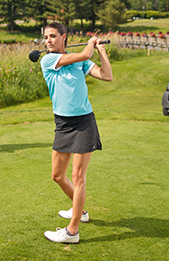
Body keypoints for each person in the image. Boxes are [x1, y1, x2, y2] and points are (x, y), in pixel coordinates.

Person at [39, 23, 113, 244]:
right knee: (57, 176)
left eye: (52, 36)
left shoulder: (80, 61)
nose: (48, 40)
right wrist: (90, 45)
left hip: (83, 122)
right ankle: (79, 211)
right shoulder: (48, 60)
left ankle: (72, 232)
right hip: (62, 123)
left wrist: (101, 50)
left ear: (64, 37)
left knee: (78, 177)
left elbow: (107, 75)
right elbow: (83, 54)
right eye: (45, 37)